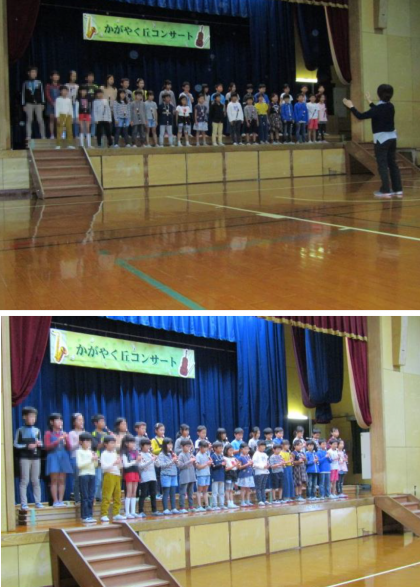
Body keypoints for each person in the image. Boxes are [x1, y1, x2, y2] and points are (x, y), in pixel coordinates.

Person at [343, 84, 403, 199]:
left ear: (379, 94)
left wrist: (351, 106)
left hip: (381, 140)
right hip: (392, 138)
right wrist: (370, 102)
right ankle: (398, 189)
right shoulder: (390, 106)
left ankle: (385, 190)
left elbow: (360, 116)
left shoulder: (377, 109)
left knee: (382, 165)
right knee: (392, 163)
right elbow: (378, 111)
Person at [14, 406, 43, 510]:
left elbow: (41, 442)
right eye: (31, 416)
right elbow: (15, 444)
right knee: (24, 480)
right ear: (24, 417)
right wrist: (27, 446)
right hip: (24, 458)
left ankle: (38, 502)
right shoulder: (20, 430)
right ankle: (23, 503)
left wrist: (39, 444)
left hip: (36, 457)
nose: (33, 419)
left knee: (36, 480)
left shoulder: (37, 430)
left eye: (34, 417)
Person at [44, 412, 73, 507]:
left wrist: (66, 439)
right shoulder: (48, 433)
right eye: (57, 420)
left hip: (63, 456)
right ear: (51, 422)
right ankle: (55, 501)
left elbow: (69, 447)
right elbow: (47, 446)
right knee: (54, 480)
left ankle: (61, 500)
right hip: (53, 456)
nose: (60, 422)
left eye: (61, 420)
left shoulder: (64, 433)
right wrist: (58, 440)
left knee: (62, 480)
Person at [100, 435, 125, 522]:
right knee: (107, 495)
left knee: (118, 495)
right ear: (105, 444)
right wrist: (114, 463)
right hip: (109, 475)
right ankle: (104, 514)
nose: (113, 445)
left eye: (114, 443)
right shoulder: (104, 454)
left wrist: (120, 462)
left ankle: (116, 513)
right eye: (111, 443)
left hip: (117, 475)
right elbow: (103, 467)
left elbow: (119, 466)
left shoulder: (115, 453)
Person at [137, 438, 162, 517]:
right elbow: (140, 466)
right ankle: (140, 511)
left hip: (153, 477)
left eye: (149, 445)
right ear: (142, 446)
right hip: (145, 477)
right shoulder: (140, 455)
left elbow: (158, 465)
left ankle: (154, 510)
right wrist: (151, 460)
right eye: (146, 445)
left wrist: (156, 459)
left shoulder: (150, 454)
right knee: (143, 494)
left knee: (153, 494)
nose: (148, 447)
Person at [77, 432, 98, 523]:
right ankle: (84, 516)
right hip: (83, 475)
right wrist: (91, 459)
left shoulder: (91, 452)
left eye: (89, 441)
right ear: (81, 442)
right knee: (85, 496)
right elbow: (79, 465)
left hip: (92, 474)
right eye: (86, 441)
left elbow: (95, 465)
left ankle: (90, 515)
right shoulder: (79, 451)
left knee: (91, 496)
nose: (88, 443)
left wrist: (95, 459)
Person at [91, 413, 112, 502]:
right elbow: (96, 447)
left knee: (106, 479)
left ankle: (104, 496)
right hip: (98, 459)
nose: (103, 423)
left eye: (104, 421)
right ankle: (95, 497)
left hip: (107, 459)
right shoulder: (93, 433)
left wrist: (112, 438)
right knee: (98, 480)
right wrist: (105, 441)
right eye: (101, 421)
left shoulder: (106, 433)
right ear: (96, 423)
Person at [22, 65, 46, 142]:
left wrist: (43, 103)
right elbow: (23, 94)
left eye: (35, 72)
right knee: (29, 119)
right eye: (32, 72)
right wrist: (23, 104)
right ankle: (28, 136)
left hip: (38, 104)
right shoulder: (25, 83)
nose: (34, 74)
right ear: (28, 73)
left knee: (40, 119)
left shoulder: (39, 82)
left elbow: (42, 93)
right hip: (29, 104)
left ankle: (43, 136)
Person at [156, 437, 179, 515]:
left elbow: (178, 465)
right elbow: (161, 465)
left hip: (174, 474)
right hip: (166, 475)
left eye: (171, 444)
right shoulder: (161, 454)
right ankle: (165, 509)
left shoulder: (172, 454)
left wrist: (176, 460)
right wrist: (172, 460)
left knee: (173, 493)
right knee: (166, 492)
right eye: (168, 444)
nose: (170, 446)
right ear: (164, 445)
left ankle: (173, 508)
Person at [121, 434, 142, 518]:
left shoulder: (135, 452)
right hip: (129, 472)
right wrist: (135, 461)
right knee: (129, 492)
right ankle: (127, 512)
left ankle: (133, 512)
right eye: (132, 442)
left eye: (134, 442)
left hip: (136, 472)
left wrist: (139, 460)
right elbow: (125, 465)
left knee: (134, 492)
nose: (134, 444)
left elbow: (138, 464)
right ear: (126, 443)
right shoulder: (124, 453)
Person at [69, 412, 84, 504]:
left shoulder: (85, 433)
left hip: (85, 458)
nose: (81, 422)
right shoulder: (71, 433)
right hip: (75, 457)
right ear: (74, 422)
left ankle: (84, 497)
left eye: (82, 420)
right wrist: (78, 442)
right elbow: (70, 447)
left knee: (84, 478)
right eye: (79, 420)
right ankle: (77, 499)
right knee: (77, 479)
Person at [177, 439, 196, 513]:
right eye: (187, 446)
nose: (188, 448)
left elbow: (194, 465)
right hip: (184, 477)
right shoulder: (181, 455)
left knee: (190, 493)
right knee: (183, 493)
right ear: (182, 446)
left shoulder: (190, 454)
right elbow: (180, 466)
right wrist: (189, 461)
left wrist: (194, 461)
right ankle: (182, 507)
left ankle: (191, 506)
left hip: (191, 476)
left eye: (189, 446)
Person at [55, 85, 74, 150]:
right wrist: (57, 117)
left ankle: (70, 144)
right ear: (60, 92)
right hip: (61, 115)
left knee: (69, 130)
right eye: (63, 91)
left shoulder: (69, 100)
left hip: (68, 115)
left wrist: (72, 117)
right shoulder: (58, 99)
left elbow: (71, 108)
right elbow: (57, 108)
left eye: (66, 91)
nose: (65, 92)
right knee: (60, 130)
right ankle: (58, 145)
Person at [195, 440, 212, 511]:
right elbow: (198, 467)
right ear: (200, 447)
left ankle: (207, 505)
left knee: (205, 490)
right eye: (204, 447)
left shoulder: (207, 454)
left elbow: (209, 465)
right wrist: (206, 464)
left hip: (207, 474)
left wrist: (210, 462)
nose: (205, 449)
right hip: (201, 475)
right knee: (199, 490)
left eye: (206, 447)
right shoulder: (198, 455)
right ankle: (199, 506)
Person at [252, 439, 269, 506]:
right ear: (258, 446)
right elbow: (254, 464)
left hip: (265, 472)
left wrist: (267, 465)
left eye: (264, 446)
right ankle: (260, 500)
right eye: (262, 446)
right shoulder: (256, 454)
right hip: (259, 472)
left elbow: (266, 461)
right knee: (258, 487)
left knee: (263, 487)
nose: (263, 447)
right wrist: (262, 466)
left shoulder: (264, 454)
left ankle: (264, 499)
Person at [151, 422, 165, 498]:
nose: (162, 432)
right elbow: (153, 451)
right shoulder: (153, 440)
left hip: (164, 461)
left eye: (163, 430)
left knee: (163, 477)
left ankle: (164, 493)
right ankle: (157, 493)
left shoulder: (164, 439)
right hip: (157, 461)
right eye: (161, 430)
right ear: (156, 431)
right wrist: (161, 448)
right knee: (157, 477)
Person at [210, 441, 226, 509]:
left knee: (222, 492)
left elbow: (224, 466)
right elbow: (213, 467)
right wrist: (221, 464)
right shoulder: (212, 456)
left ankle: (222, 504)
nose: (221, 449)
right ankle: (214, 505)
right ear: (215, 448)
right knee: (215, 492)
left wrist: (224, 465)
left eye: (222, 448)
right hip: (215, 476)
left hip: (221, 476)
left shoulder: (222, 456)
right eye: (219, 448)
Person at [223, 444, 239, 509]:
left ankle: (232, 502)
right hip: (228, 474)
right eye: (230, 450)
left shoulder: (233, 457)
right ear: (226, 451)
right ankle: (228, 502)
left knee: (231, 489)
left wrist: (237, 464)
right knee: (228, 489)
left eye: (232, 450)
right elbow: (226, 469)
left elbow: (236, 467)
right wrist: (234, 465)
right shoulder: (224, 458)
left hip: (234, 473)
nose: (231, 452)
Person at [46, 71, 61, 138]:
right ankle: (52, 135)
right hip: (51, 105)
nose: (56, 77)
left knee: (58, 120)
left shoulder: (60, 86)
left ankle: (59, 134)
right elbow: (47, 95)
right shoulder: (48, 86)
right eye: (54, 75)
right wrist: (52, 103)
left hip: (59, 105)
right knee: (51, 119)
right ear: (51, 77)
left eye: (57, 75)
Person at [65, 70, 79, 138]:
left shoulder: (77, 86)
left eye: (75, 76)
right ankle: (68, 135)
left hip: (75, 104)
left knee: (76, 119)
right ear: (69, 76)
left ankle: (76, 135)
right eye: (73, 76)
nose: (74, 77)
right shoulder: (66, 85)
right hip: (67, 105)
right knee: (68, 120)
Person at [84, 72, 98, 136]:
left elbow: (97, 96)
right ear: (86, 78)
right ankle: (85, 134)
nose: (91, 78)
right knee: (85, 120)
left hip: (94, 105)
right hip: (85, 105)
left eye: (92, 76)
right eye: (89, 76)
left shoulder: (96, 87)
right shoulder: (84, 86)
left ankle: (93, 134)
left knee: (93, 120)